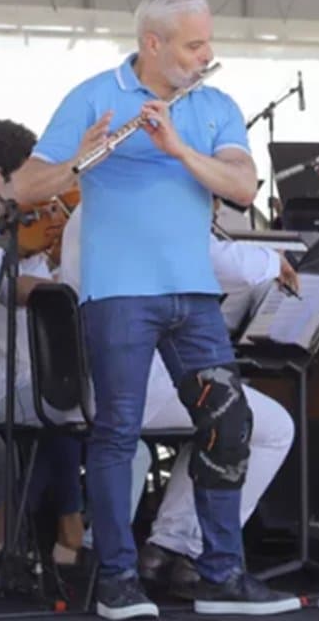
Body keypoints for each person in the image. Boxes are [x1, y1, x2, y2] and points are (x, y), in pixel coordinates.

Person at [13, 0, 300, 618]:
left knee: (229, 422)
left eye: (207, 43)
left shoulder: (215, 103)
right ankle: (116, 579)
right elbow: (26, 186)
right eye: (194, 45)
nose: (206, 54)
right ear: (152, 44)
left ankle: (220, 574)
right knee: (117, 433)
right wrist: (79, 162)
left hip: (193, 294)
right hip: (119, 294)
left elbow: (244, 188)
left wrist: (178, 149)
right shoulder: (94, 94)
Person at [58, 203, 298, 597]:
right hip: (134, 383)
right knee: (268, 426)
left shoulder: (87, 207)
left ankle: (168, 547)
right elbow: (209, 258)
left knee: (214, 419)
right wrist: (272, 261)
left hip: (90, 379)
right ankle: (188, 550)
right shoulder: (151, 201)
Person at [0, 119, 85, 566]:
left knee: (72, 401)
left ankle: (25, 522)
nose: (40, 188)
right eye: (29, 176)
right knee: (76, 405)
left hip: (24, 375)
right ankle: (59, 521)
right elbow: (9, 289)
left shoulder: (4, 225)